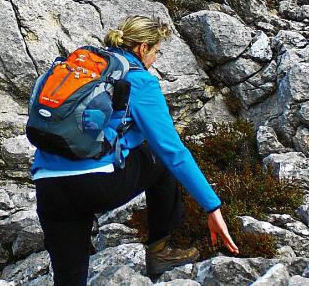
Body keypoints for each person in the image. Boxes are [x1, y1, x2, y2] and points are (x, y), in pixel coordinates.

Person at [32, 15, 238, 286]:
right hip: (95, 183)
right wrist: (213, 207)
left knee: (69, 278)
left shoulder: (84, 68)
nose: (155, 60)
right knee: (158, 156)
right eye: (156, 52)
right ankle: (160, 250)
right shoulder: (140, 80)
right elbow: (173, 152)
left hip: (47, 184)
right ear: (142, 48)